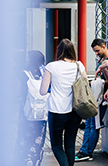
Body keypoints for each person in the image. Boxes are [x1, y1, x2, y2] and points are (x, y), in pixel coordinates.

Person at [40, 38, 86, 166]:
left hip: (57, 110)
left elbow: (43, 91)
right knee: (70, 145)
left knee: (56, 145)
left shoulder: (51, 66)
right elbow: (85, 86)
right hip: (75, 110)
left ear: (59, 51)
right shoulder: (79, 65)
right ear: (73, 51)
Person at [75, 38, 108, 162]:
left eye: (97, 50)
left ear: (103, 46)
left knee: (93, 124)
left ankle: (86, 152)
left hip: (101, 97)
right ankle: (85, 150)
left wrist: (98, 83)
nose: (96, 53)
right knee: (89, 123)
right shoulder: (103, 60)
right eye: (95, 51)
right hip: (97, 96)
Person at [13, 50, 47, 166]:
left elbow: (17, 92)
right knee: (38, 140)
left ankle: (24, 159)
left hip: (26, 111)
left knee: (24, 137)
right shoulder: (45, 73)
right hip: (41, 113)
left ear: (32, 60)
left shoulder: (24, 74)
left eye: (28, 58)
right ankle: (35, 161)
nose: (26, 60)